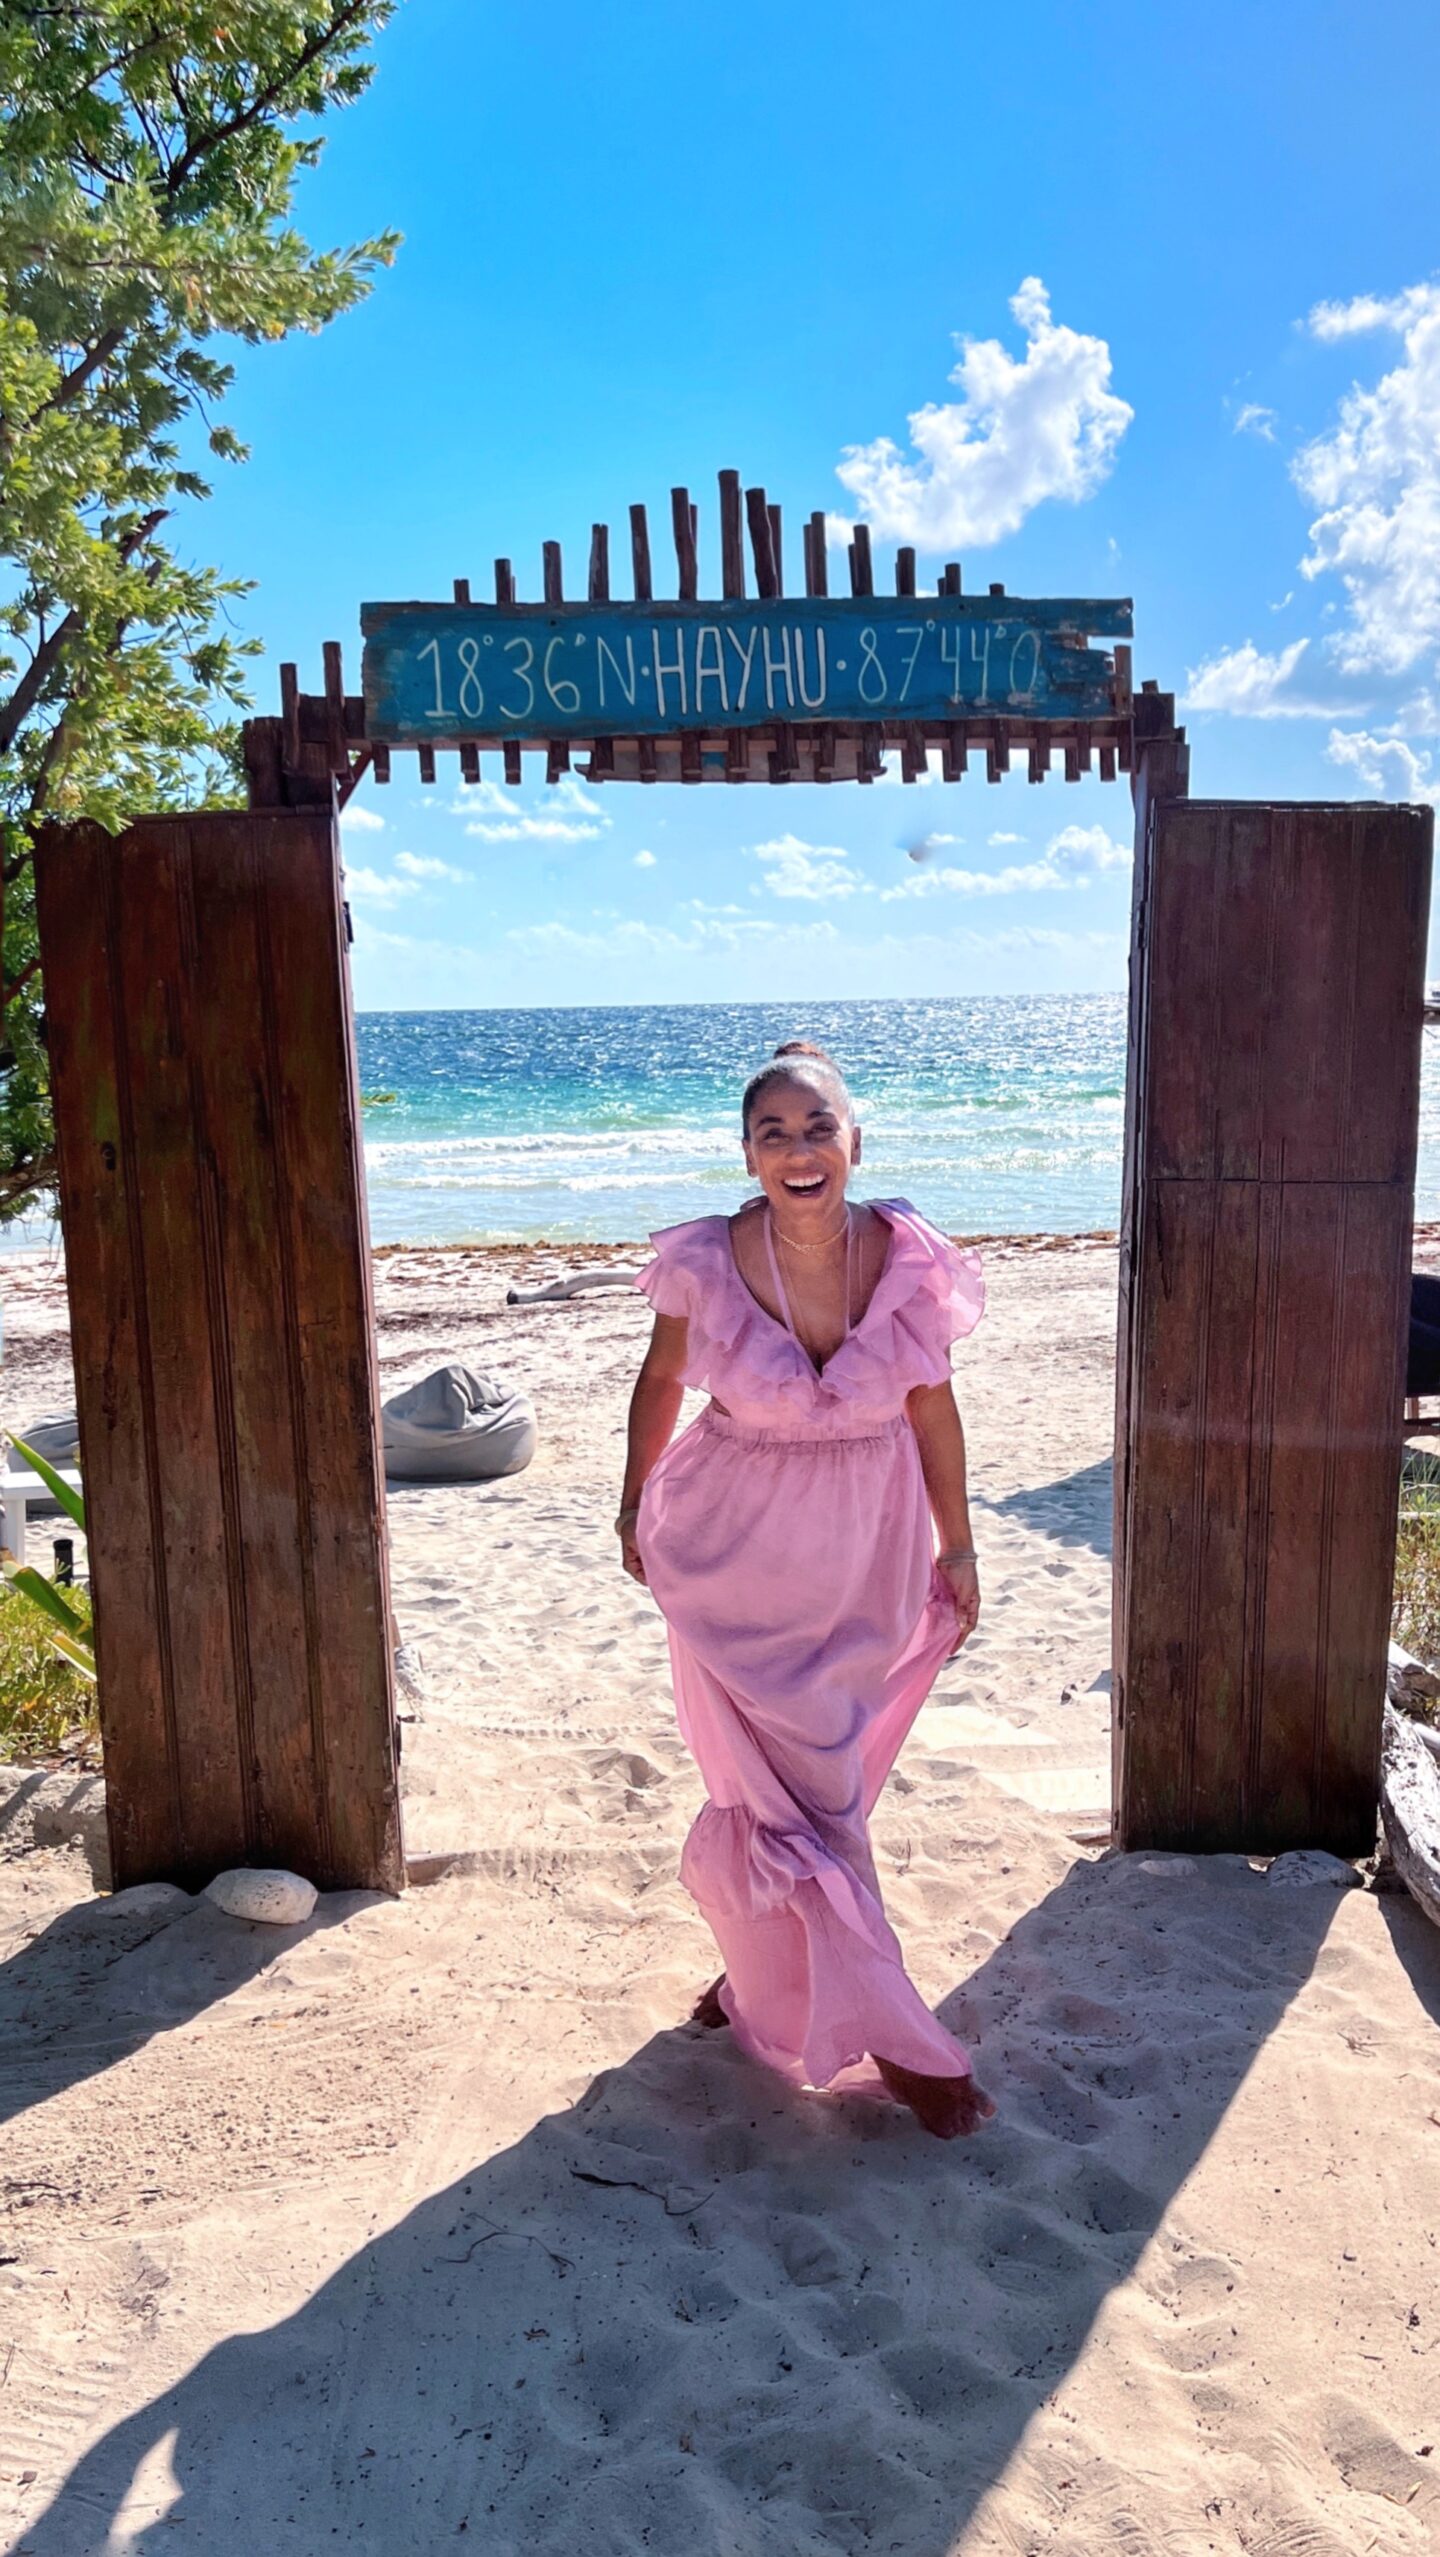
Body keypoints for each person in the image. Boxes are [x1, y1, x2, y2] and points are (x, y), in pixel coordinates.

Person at [616, 1040, 996, 2139]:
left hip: (862, 1556)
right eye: (772, 1132)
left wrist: (958, 1545)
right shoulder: (706, 1258)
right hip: (733, 1551)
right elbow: (659, 1381)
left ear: (855, 1142)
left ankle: (755, 1984)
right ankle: (898, 2042)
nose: (797, 1148)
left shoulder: (909, 1258)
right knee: (787, 1799)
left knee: (823, 1793)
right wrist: (630, 1501)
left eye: (816, 1127)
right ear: (746, 1154)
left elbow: (932, 1410)